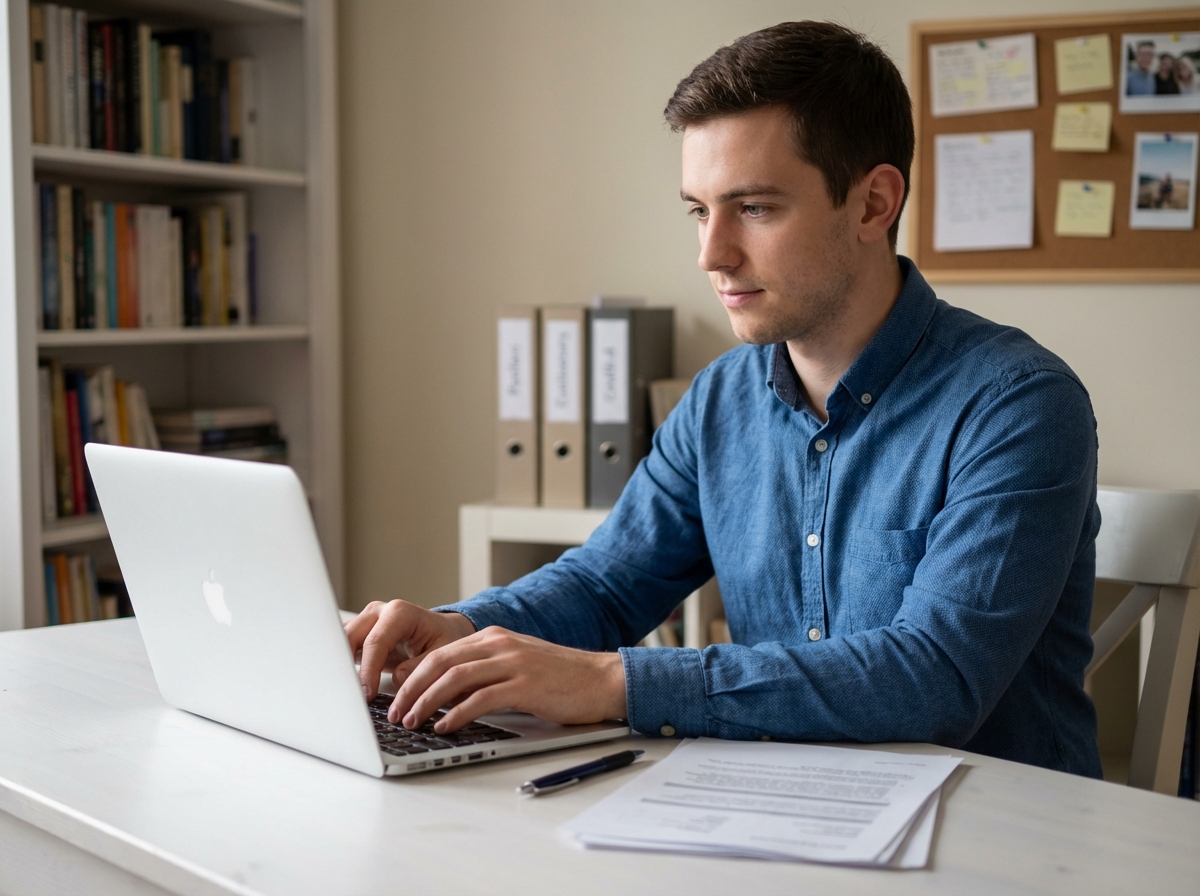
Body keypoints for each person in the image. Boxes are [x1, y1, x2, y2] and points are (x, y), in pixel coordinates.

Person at [346, 21, 1103, 778]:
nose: (712, 254)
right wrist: (461, 630)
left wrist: (615, 682)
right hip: (787, 805)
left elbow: (935, 677)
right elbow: (607, 584)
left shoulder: (1019, 405)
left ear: (874, 203)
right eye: (700, 210)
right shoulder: (720, 401)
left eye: (756, 208)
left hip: (999, 836)